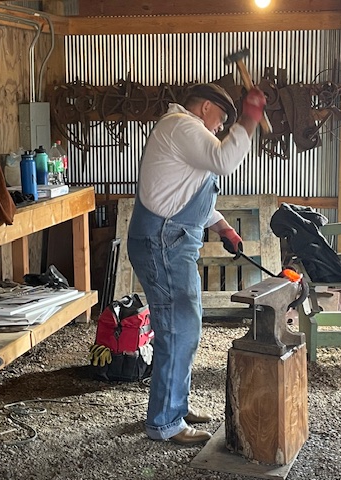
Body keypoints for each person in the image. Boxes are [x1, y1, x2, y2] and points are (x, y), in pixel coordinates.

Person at [127, 82, 267, 445]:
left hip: (168, 240)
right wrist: (250, 118)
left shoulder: (181, 131)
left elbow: (183, 194)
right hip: (163, 242)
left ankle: (175, 405)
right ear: (205, 107)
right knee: (178, 328)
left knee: (183, 325)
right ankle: (165, 422)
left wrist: (222, 227)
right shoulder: (182, 126)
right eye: (221, 119)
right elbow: (224, 160)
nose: (220, 127)